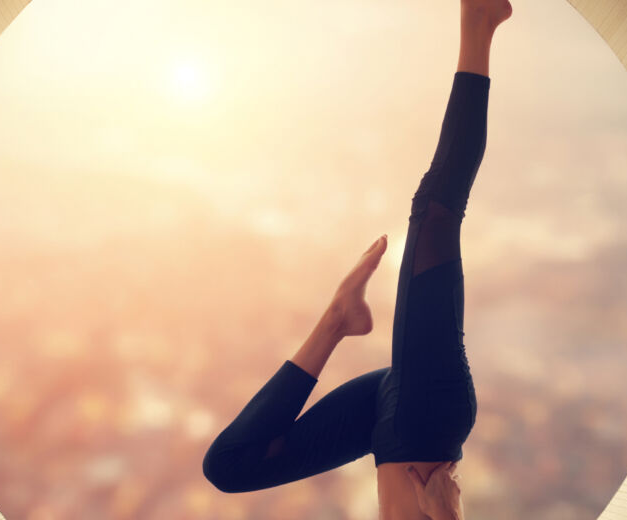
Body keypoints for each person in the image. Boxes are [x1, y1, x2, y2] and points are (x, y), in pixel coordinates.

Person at [202, 1, 512, 518]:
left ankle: (337, 320)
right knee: (435, 210)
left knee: (229, 467)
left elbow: (228, 468)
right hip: (426, 424)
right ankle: (478, 27)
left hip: (387, 428)